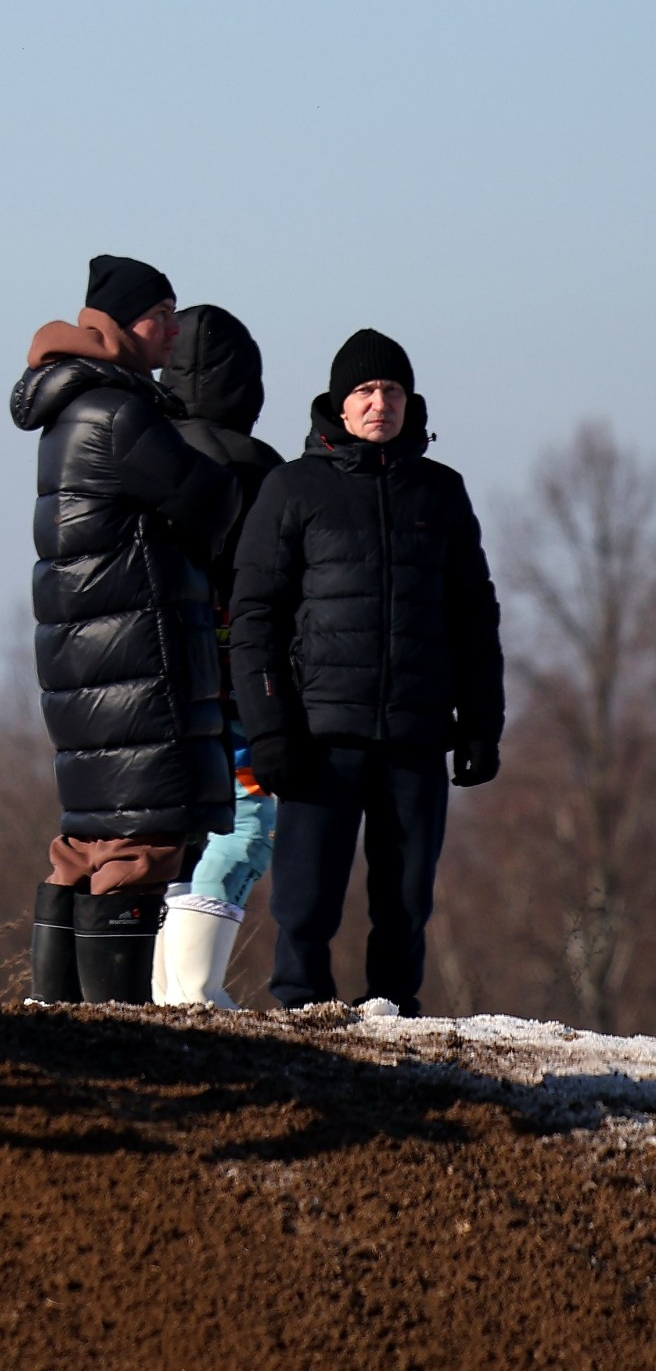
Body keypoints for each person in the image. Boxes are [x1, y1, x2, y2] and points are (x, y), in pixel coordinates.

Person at [230, 328, 504, 1013]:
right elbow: (256, 615)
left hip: (414, 731)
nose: (379, 402)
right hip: (320, 734)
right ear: (339, 404)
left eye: (391, 390)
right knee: (305, 896)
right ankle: (300, 1006)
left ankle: (395, 1011)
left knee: (408, 896)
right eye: (364, 390)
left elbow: (474, 613)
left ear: (410, 402)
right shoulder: (292, 489)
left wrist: (481, 724)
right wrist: (268, 730)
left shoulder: (442, 493)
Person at [11, 255, 241, 1003]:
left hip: (92, 662)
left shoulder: (70, 409)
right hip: (135, 662)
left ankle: (54, 1022)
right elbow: (208, 496)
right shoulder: (119, 413)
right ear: (115, 324)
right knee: (137, 846)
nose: (173, 331)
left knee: (85, 845)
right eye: (159, 315)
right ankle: (117, 1036)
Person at [150, 304, 284, 1009]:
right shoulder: (261, 471)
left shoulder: (143, 453)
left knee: (162, 831)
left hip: (153, 683)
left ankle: (170, 990)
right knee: (245, 823)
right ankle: (196, 990)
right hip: (236, 683)